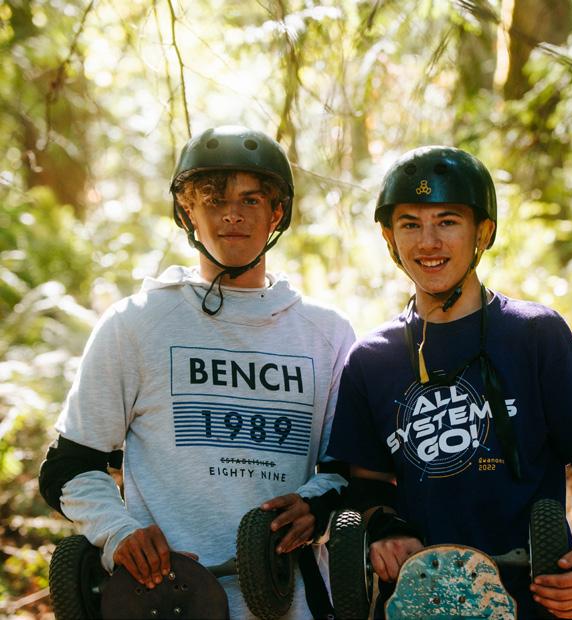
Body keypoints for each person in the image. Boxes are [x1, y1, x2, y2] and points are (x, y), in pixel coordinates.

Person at [39, 125, 355, 619]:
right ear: (188, 211)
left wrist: (315, 506)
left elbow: (349, 471)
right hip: (165, 602)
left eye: (251, 200)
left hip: (288, 602)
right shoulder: (135, 324)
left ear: (277, 213)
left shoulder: (328, 333)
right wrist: (118, 533)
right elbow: (69, 466)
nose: (232, 215)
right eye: (213, 200)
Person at [326, 146, 572, 619]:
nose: (428, 242)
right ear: (389, 237)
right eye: (410, 224)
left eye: (447, 221)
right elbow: (366, 483)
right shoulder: (371, 358)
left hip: (535, 601)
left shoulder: (535, 334)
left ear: (483, 232)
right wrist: (388, 528)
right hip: (417, 605)